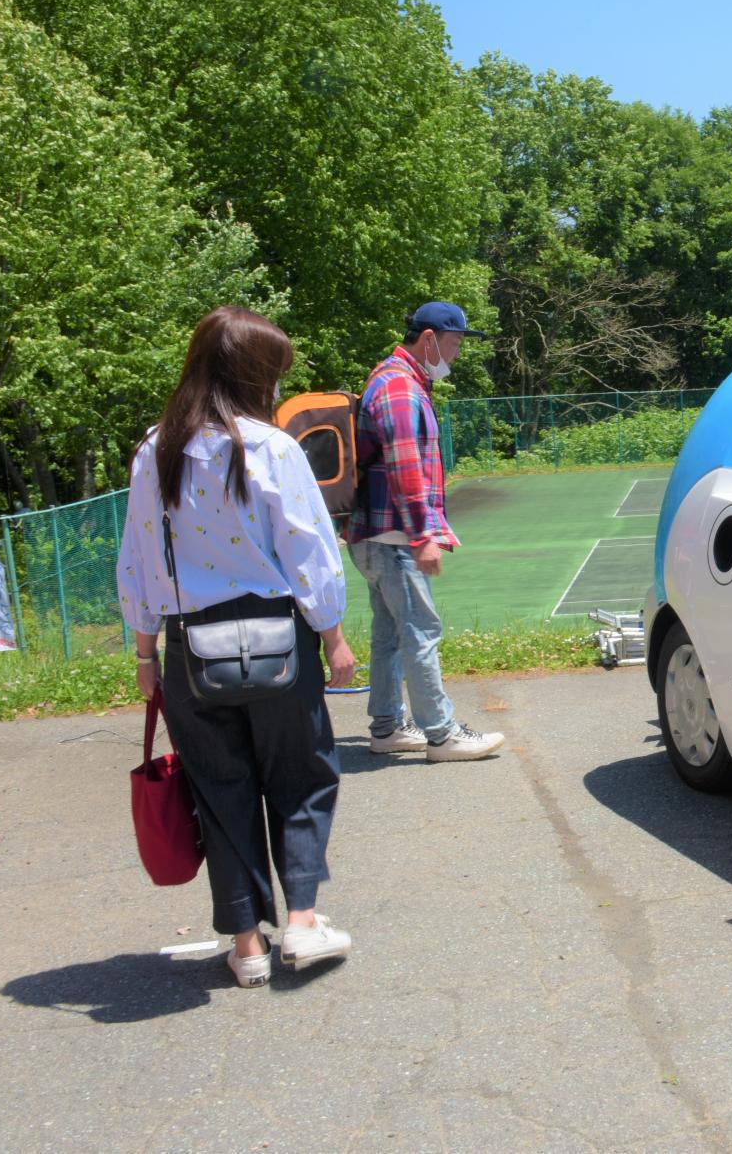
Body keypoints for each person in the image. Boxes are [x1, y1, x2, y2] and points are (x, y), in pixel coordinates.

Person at [117, 306, 359, 988]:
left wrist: (143, 654)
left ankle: (248, 943)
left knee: (219, 788)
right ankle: (303, 922)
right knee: (301, 774)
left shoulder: (154, 449)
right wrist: (333, 633)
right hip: (278, 638)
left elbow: (138, 561)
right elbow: (308, 549)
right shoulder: (272, 446)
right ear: (252, 374)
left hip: (190, 646)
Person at [347, 302, 505, 761]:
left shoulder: (395, 378)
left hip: (377, 536)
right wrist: (422, 536)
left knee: (390, 634)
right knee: (420, 630)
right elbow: (405, 467)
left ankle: (387, 727)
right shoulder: (399, 387)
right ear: (430, 338)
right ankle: (442, 734)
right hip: (395, 538)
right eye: (454, 344)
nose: (456, 355)